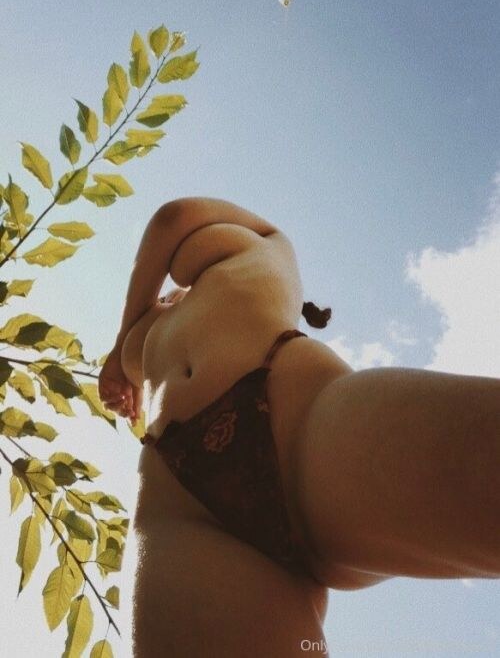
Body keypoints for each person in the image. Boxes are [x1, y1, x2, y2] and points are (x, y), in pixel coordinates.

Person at [99, 197, 500, 657]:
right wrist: (123, 370)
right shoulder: (153, 327)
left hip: (292, 415)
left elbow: (172, 218)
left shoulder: (270, 244)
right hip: (181, 502)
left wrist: (119, 349)